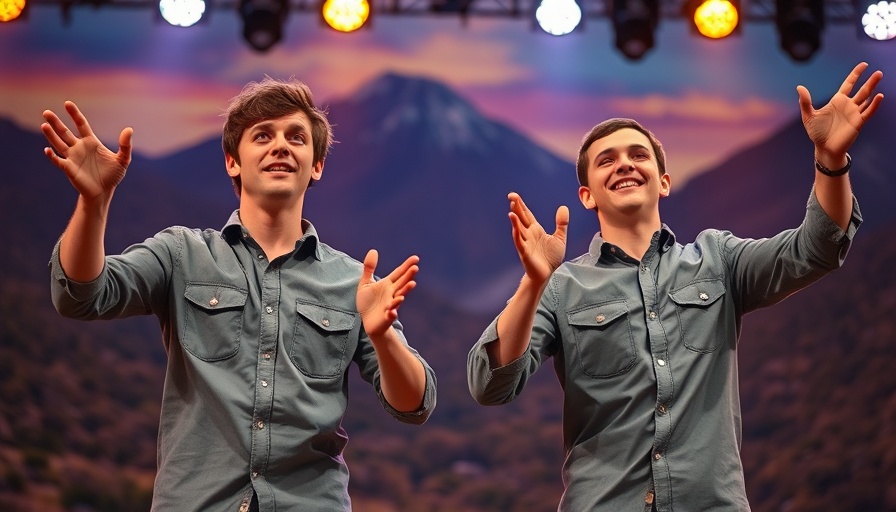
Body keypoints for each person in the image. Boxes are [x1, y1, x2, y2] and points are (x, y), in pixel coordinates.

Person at [467, 62, 884, 511]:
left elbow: (817, 248)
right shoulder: (560, 288)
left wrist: (831, 161)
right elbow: (490, 385)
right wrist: (533, 284)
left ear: (663, 182)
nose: (624, 163)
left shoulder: (719, 259)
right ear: (588, 195)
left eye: (638, 155)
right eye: (606, 160)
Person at [42, 78, 436, 512]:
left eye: (296, 137)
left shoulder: (353, 281)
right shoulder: (182, 254)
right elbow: (81, 295)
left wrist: (384, 337)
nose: (280, 146)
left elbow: (414, 405)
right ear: (233, 161)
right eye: (262, 135)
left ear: (317, 164)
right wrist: (93, 203)